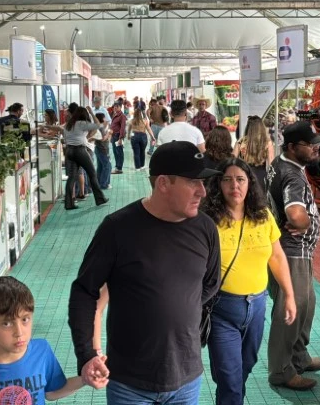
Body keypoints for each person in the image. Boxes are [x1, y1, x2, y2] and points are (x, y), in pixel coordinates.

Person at [68, 141, 221, 405]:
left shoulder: (206, 228)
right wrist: (86, 354)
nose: (202, 192)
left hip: (186, 378)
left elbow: (210, 282)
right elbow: (84, 291)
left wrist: (175, 310)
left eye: (203, 182)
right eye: (193, 182)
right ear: (163, 183)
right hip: (129, 383)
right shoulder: (117, 229)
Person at [200, 158, 297, 405]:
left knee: (244, 368)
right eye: (227, 179)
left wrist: (289, 295)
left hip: (257, 307)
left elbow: (276, 256)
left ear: (249, 184)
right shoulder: (207, 220)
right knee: (230, 378)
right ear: (218, 185)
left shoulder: (263, 216)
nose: (235, 185)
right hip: (222, 308)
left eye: (241, 179)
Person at [0, 276, 84, 404]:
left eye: (25, 319)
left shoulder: (42, 351)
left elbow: (52, 392)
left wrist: (85, 379)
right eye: (7, 324)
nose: (19, 333)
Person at [264, 121, 320, 391]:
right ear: (292, 147)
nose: (316, 148)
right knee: (289, 311)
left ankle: (298, 356)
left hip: (294, 251)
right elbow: (296, 214)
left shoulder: (279, 164)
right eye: (310, 145)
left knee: (306, 305)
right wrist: (303, 223)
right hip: (292, 252)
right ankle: (281, 370)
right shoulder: (292, 174)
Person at [62, 107, 108, 210]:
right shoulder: (81, 123)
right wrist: (91, 112)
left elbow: (65, 138)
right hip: (80, 151)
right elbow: (98, 125)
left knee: (71, 178)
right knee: (92, 174)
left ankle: (69, 204)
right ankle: (100, 199)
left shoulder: (68, 125)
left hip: (69, 152)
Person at [234, 116, 274, 193]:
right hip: (261, 177)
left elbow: (232, 160)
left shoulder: (240, 142)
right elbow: (271, 164)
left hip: (244, 175)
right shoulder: (267, 142)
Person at [94, 113, 112, 190]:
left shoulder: (99, 127)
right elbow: (103, 139)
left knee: (101, 166)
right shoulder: (100, 128)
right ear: (102, 118)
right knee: (107, 166)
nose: (106, 119)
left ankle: (99, 182)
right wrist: (109, 133)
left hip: (99, 148)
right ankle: (104, 184)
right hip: (102, 149)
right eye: (104, 118)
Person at [110, 101, 127, 174]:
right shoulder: (115, 115)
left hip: (118, 137)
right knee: (115, 152)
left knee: (119, 152)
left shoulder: (122, 116)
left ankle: (119, 168)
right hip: (114, 136)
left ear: (120, 107)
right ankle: (117, 167)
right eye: (114, 107)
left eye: (117, 107)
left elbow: (122, 128)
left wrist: (120, 138)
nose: (115, 108)